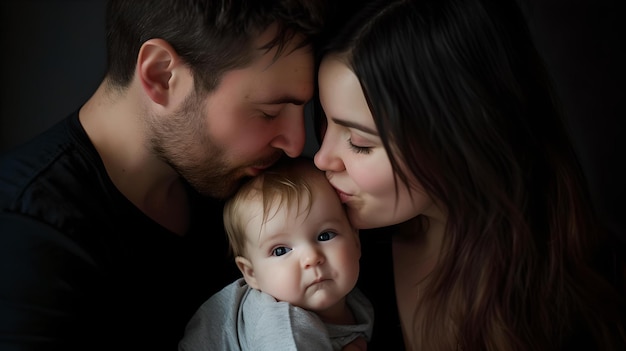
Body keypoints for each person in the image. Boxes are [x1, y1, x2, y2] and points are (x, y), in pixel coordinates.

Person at [0, 1, 329, 350]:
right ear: (161, 75)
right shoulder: (23, 237)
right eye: (268, 112)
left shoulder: (250, 187)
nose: (295, 144)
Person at [313, 0, 626, 350]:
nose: (322, 159)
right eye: (325, 123)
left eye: (358, 143)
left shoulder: (589, 282)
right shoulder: (332, 255)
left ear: (455, 138)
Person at [178, 157, 373, 350]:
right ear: (251, 273)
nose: (311, 258)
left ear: (356, 241)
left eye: (325, 236)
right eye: (281, 251)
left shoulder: (356, 302)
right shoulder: (284, 329)